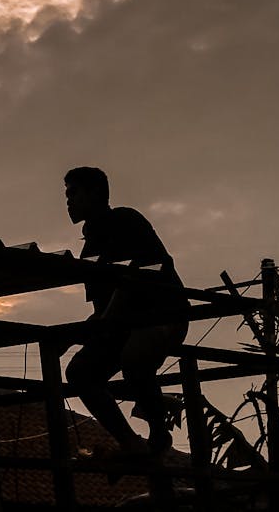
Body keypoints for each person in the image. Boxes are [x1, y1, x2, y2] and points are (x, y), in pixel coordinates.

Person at [61, 166, 189, 454]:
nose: (69, 201)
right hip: (122, 325)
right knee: (80, 372)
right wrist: (76, 334)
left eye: (74, 193)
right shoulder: (91, 245)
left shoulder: (126, 220)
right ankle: (130, 442)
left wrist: (101, 324)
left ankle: (158, 432)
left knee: (134, 359)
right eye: (67, 195)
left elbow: (138, 275)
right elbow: (102, 307)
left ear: (95, 194)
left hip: (163, 315)